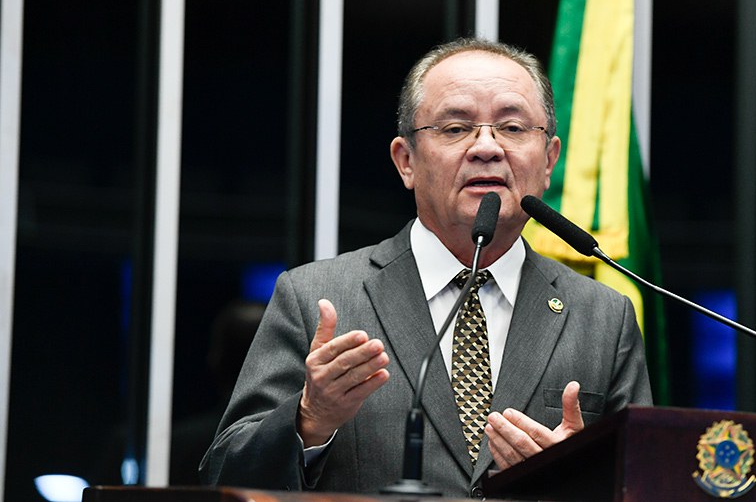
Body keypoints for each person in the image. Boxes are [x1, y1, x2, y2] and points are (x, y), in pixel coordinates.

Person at [200, 38, 652, 496]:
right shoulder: (316, 296)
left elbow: (648, 484)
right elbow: (225, 478)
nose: (487, 147)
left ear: (550, 160)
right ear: (406, 161)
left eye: (513, 128)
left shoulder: (603, 317)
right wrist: (309, 421)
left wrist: (580, 480)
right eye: (456, 128)